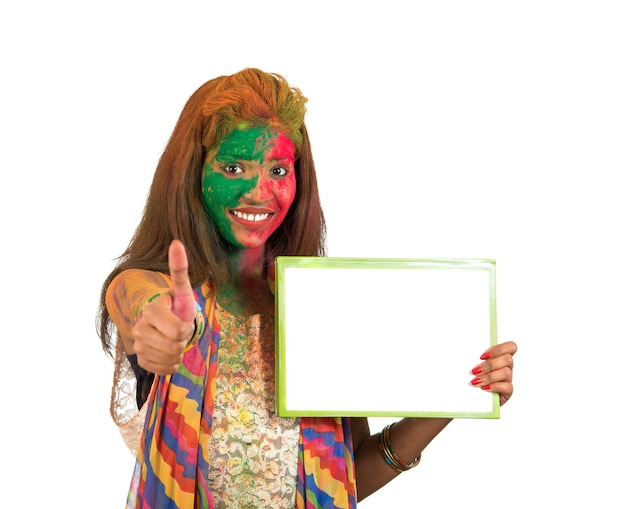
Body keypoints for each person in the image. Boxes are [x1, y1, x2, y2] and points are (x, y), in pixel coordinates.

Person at [97, 67, 517, 509]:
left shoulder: (322, 307)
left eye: (278, 169)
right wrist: (156, 325)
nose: (259, 191)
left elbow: (350, 474)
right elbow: (136, 302)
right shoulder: (152, 289)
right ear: (192, 173)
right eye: (233, 166)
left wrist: (454, 393)